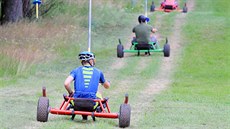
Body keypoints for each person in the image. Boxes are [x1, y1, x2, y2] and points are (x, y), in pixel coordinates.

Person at [64, 51, 110, 120]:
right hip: (92, 105)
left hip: (76, 103)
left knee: (74, 93)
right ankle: (100, 108)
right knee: (99, 94)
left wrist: (71, 93)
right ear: (91, 60)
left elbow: (66, 83)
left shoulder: (76, 71)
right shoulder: (98, 72)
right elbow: (107, 86)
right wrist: (106, 82)